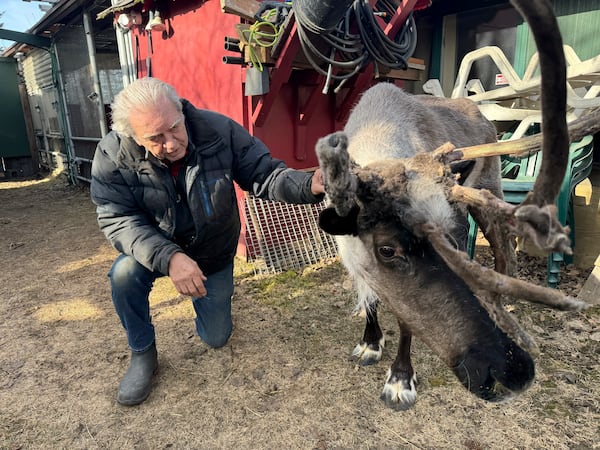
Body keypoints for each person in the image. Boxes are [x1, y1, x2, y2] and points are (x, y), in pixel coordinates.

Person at [90, 77, 325, 406]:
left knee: (216, 338)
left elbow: (265, 174)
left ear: (181, 110)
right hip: (155, 246)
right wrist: (170, 258)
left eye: (174, 127)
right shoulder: (113, 155)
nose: (171, 144)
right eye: (155, 138)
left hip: (212, 248)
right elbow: (118, 218)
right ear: (132, 135)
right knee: (123, 275)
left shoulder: (219, 131)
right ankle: (142, 353)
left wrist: (309, 184)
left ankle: (208, 308)